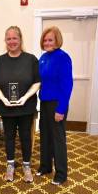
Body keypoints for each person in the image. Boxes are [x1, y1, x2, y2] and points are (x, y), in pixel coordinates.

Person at [0, 26, 40, 183]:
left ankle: (26, 166)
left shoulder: (31, 59)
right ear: (5, 40)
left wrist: (25, 97)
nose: (12, 41)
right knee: (9, 137)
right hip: (7, 107)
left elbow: (37, 82)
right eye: (9, 38)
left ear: (20, 40)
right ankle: (10, 164)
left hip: (26, 106)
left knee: (26, 137)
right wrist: (3, 99)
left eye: (14, 38)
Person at [37, 26, 73, 185]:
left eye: (50, 39)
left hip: (57, 103)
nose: (47, 42)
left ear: (57, 40)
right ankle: (45, 167)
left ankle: (61, 173)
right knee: (45, 136)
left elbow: (67, 85)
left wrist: (61, 109)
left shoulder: (63, 57)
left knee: (58, 139)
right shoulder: (43, 57)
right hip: (44, 102)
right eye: (45, 40)